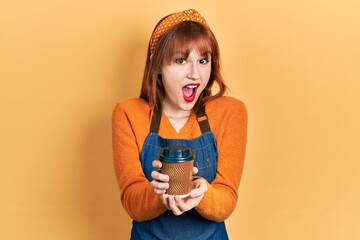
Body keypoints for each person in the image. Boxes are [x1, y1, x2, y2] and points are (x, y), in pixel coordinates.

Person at [112, 9, 247, 239]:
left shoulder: (230, 112)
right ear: (157, 67)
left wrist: (203, 193)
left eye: (203, 60)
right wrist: (160, 195)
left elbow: (227, 199)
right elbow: (132, 200)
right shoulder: (128, 113)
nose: (195, 73)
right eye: (181, 60)